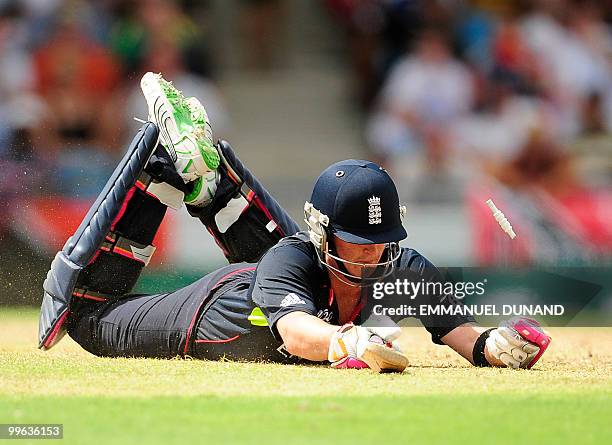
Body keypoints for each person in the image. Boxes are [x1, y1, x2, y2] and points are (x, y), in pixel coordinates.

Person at [38, 73, 550, 371]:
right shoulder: (290, 258)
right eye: (358, 242)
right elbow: (298, 333)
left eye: (382, 241)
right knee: (85, 316)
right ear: (327, 234)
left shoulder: (402, 267)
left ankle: (201, 172)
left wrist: (494, 347)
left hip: (271, 289)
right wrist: (346, 343)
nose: (373, 253)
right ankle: (157, 156)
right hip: (218, 310)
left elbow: (456, 328)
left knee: (293, 266)